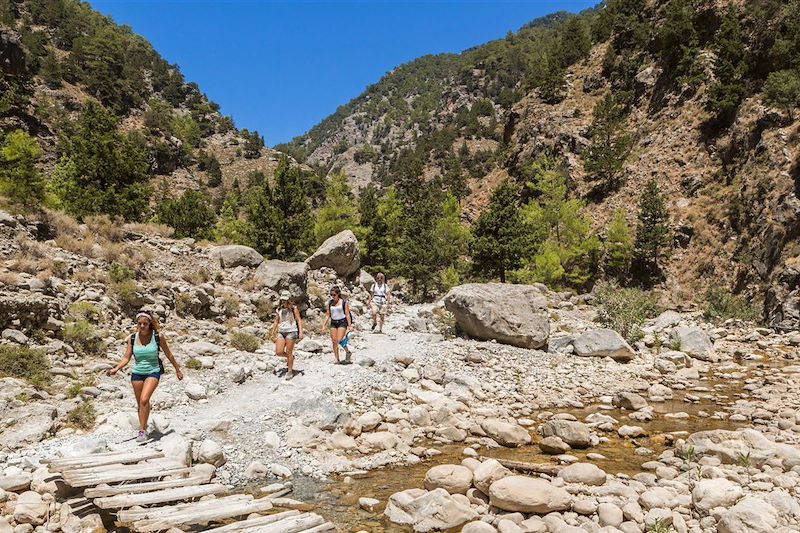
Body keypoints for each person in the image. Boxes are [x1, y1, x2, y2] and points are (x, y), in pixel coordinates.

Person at [107, 310, 183, 442]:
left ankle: (141, 432)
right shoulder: (132, 338)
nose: (142, 326)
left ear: (149, 324)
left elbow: (168, 354)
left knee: (144, 399)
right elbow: (126, 357)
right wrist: (117, 368)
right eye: (139, 323)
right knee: (141, 404)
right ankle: (145, 426)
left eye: (145, 323)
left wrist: (177, 370)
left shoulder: (158, 337)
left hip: (153, 371)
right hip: (137, 372)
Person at [269, 290, 303, 380]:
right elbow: (276, 321)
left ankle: (290, 371)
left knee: (288, 352)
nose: (284, 301)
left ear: (289, 300)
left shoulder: (293, 309)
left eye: (286, 300)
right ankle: (290, 358)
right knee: (279, 352)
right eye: (283, 300)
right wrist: (272, 333)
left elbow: (299, 320)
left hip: (291, 331)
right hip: (281, 331)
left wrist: (301, 332)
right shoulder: (279, 309)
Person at [320, 286, 353, 364]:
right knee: (334, 341)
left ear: (338, 294)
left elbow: (347, 314)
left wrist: (350, 325)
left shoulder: (343, 302)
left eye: (334, 294)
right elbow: (327, 314)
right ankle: (337, 359)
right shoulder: (330, 303)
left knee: (339, 340)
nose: (332, 296)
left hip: (342, 322)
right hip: (333, 322)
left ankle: (348, 352)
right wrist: (324, 325)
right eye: (331, 294)